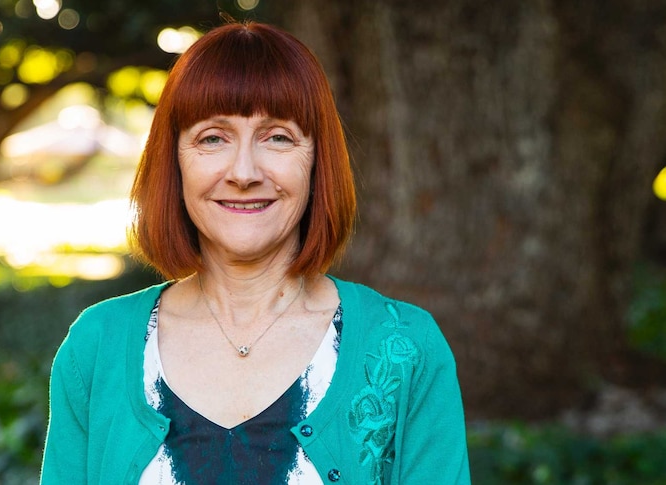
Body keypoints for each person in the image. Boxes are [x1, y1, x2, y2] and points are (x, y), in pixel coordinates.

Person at [40, 21, 470, 485]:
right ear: (175, 160)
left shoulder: (405, 349)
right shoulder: (96, 347)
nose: (243, 172)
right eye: (212, 138)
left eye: (278, 137)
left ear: (316, 161)